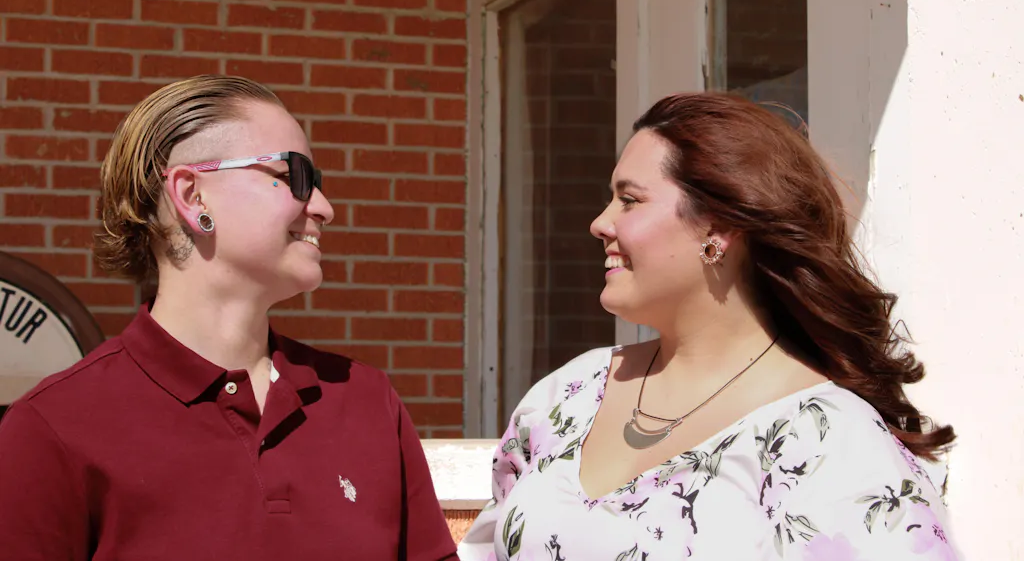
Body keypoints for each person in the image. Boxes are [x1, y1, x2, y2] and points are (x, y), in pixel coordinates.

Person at [459, 92, 960, 560]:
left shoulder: (826, 440)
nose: (600, 223)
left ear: (718, 228)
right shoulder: (569, 395)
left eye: (629, 200)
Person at [0, 76, 458, 561]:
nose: (324, 208)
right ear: (193, 195)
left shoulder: (365, 403)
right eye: (295, 176)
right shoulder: (53, 428)